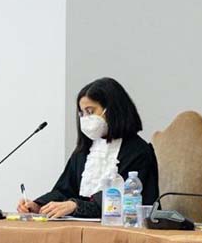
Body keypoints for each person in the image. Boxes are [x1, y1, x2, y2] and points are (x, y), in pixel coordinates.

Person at [17, 77, 159, 218]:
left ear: (112, 110)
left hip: (124, 225)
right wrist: (38, 205)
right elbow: (64, 190)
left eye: (90, 111)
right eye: (82, 113)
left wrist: (76, 206)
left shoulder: (138, 151)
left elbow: (121, 197)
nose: (85, 118)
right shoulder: (84, 151)